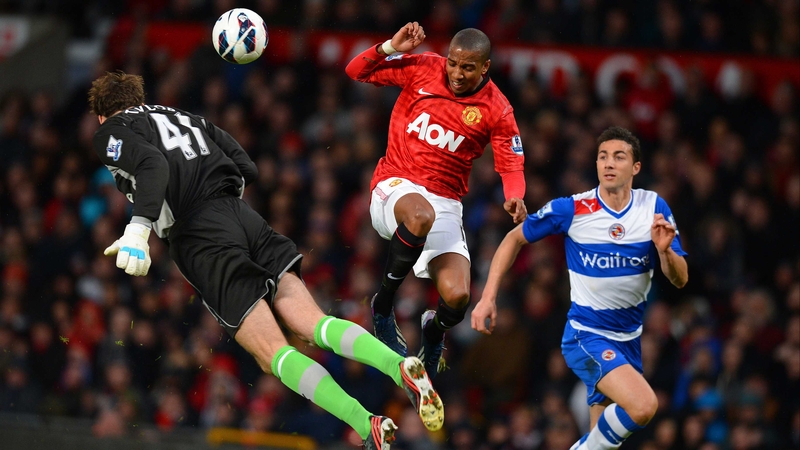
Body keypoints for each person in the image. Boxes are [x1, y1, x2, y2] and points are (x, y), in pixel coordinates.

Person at [88, 71, 444, 449]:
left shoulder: (111, 131)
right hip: (244, 217)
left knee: (272, 353)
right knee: (315, 323)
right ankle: (397, 365)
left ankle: (365, 423)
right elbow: (248, 168)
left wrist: (139, 229)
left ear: (100, 115)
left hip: (199, 237)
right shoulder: (186, 117)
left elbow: (152, 166)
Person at [472, 126, 689, 449]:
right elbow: (513, 239)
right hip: (585, 336)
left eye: (619, 156)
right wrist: (488, 297)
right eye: (603, 156)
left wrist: (664, 251)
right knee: (644, 406)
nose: (609, 163)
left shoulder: (654, 207)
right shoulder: (573, 209)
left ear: (636, 167)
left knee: (605, 442)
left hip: (628, 341)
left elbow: (680, 278)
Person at [345, 22, 527, 378]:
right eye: (453, 64)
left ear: (485, 67)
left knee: (458, 296)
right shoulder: (424, 67)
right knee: (419, 214)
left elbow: (512, 165)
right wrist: (387, 47)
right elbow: (356, 70)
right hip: (395, 183)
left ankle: (433, 332)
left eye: (468, 67)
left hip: (445, 202)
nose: (457, 74)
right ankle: (382, 305)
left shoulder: (498, 109)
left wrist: (515, 197)